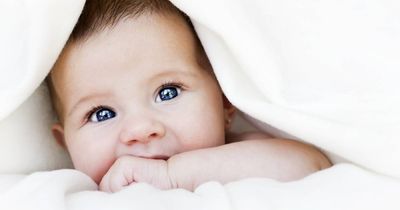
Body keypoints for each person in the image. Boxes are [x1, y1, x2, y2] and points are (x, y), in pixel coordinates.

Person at [47, 0, 331, 192]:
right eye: (102, 114)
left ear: (225, 104)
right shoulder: (70, 193)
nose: (141, 130)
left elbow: (310, 165)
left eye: (167, 92)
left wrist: (171, 176)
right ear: (65, 142)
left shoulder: (238, 160)